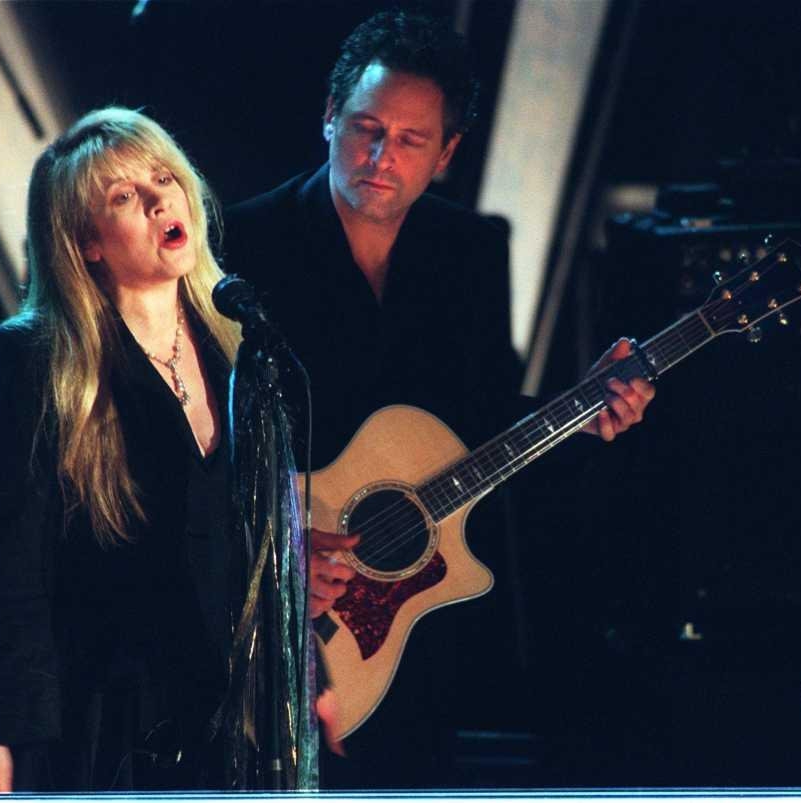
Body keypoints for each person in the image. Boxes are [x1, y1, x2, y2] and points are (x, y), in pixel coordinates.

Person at [222, 10, 655, 789]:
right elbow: (198, 436)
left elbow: (484, 424)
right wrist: (274, 542)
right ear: (329, 116)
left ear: (447, 155)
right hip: (277, 626)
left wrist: (587, 412)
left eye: (412, 141)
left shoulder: (470, 253)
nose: (381, 157)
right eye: (365, 128)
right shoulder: (246, 244)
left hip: (425, 627)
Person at [0, 108, 316, 793]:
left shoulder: (239, 347)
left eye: (163, 179)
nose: (159, 201)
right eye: (124, 197)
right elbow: (10, 558)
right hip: (106, 718)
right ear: (87, 242)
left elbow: (272, 545)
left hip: (231, 720)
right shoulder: (34, 358)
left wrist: (308, 680)